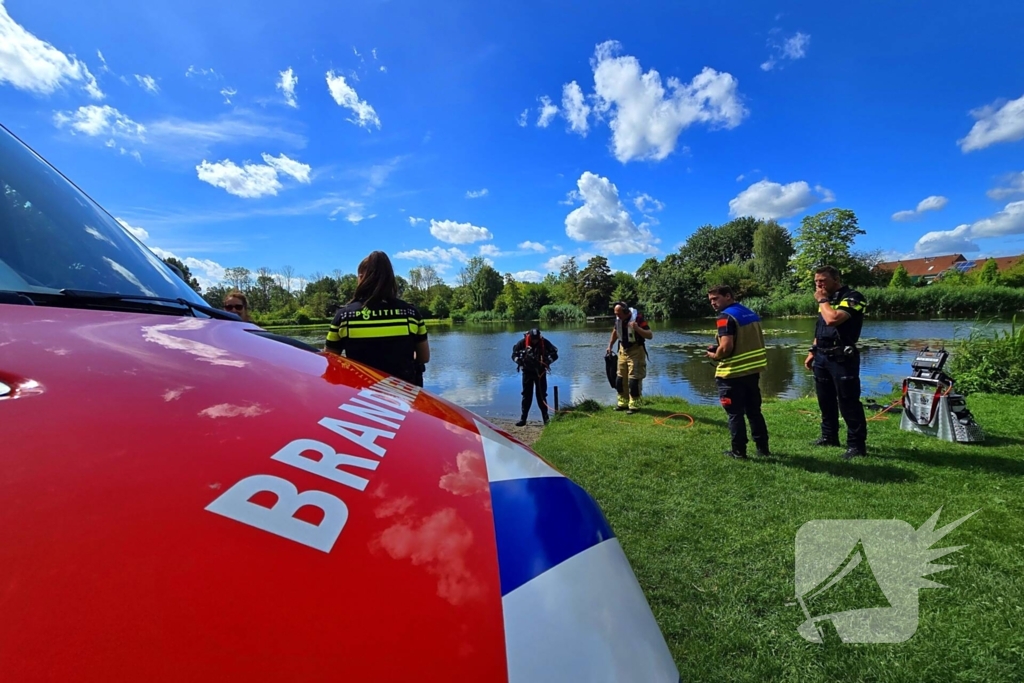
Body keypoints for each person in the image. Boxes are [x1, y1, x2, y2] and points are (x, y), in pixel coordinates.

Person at [324, 251, 430, 386]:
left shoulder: (344, 316)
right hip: (405, 398)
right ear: (390, 278)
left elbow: (331, 360)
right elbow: (424, 357)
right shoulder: (411, 314)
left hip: (361, 396)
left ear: (361, 278)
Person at [803, 265, 868, 459]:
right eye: (816, 281)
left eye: (822, 280)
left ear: (836, 279)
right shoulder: (826, 301)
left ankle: (856, 446)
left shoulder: (854, 297)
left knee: (848, 402)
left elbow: (832, 319)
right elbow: (822, 327)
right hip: (822, 356)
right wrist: (812, 350)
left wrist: (822, 300)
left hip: (842, 358)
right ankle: (829, 436)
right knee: (825, 400)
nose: (818, 284)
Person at [706, 285, 770, 459]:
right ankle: (763, 448)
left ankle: (738, 451)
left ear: (728, 296)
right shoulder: (749, 313)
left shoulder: (725, 317)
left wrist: (715, 355)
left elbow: (726, 348)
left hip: (731, 374)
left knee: (735, 414)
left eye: (716, 299)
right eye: (710, 300)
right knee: (754, 412)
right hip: (752, 371)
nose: (713, 303)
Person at [606, 301, 652, 414]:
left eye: (619, 313)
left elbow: (649, 335)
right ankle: (622, 403)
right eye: (615, 314)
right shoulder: (618, 320)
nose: (617, 316)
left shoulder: (638, 318)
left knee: (634, 379)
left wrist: (637, 328)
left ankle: (634, 405)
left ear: (626, 312)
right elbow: (615, 331)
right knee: (620, 378)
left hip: (636, 350)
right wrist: (610, 345)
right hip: (622, 349)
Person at [511, 328, 559, 426]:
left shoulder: (544, 342)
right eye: (533, 339)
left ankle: (546, 420)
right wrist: (519, 361)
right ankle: (523, 419)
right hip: (527, 373)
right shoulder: (522, 342)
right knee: (526, 396)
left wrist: (548, 361)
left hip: (540, 373)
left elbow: (555, 354)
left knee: (541, 396)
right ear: (530, 337)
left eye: (536, 339)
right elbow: (513, 355)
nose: (535, 341)